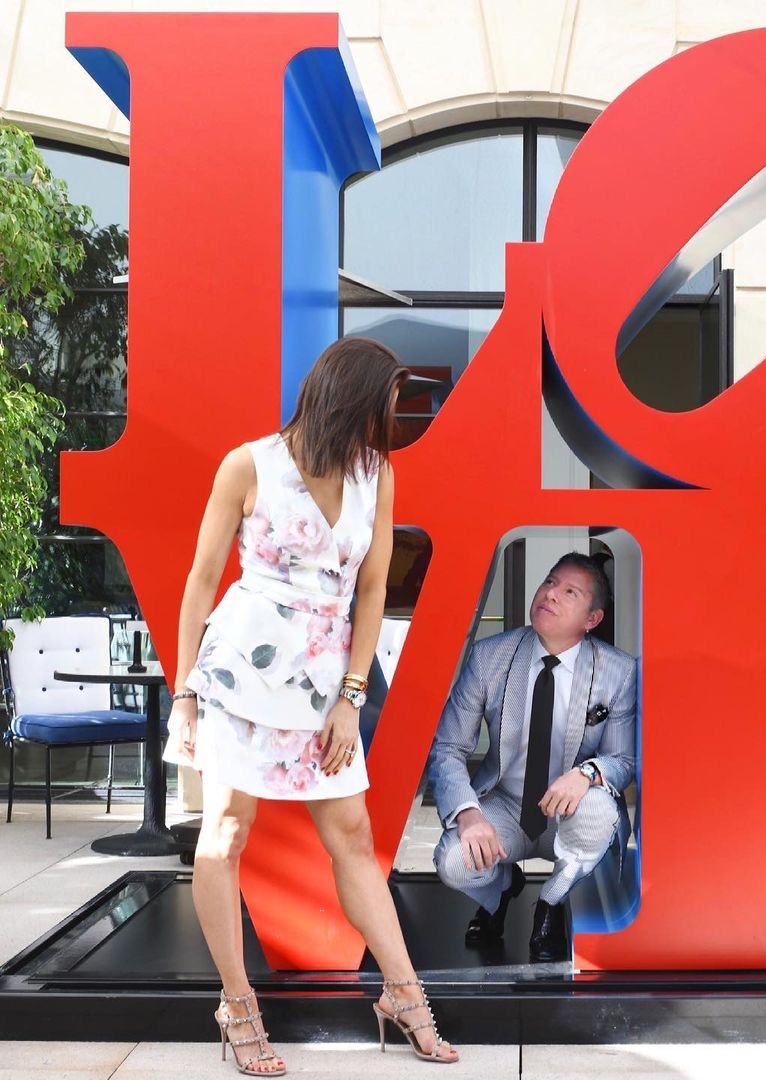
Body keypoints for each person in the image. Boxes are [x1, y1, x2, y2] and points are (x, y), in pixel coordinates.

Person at [164, 337, 458, 1073]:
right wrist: (184, 690)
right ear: (350, 400)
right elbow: (201, 580)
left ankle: (403, 993)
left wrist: (352, 696)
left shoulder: (376, 474)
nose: (392, 423)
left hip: (326, 685)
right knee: (224, 833)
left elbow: (372, 588)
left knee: (352, 835)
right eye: (385, 407)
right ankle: (237, 1005)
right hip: (240, 673)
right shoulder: (248, 465)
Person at [427, 553, 637, 962]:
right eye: (550, 582)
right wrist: (467, 814)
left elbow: (623, 761)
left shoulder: (619, 671)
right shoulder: (490, 657)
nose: (551, 594)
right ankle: (503, 889)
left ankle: (551, 904)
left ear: (592, 619)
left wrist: (587, 773)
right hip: (506, 803)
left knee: (598, 807)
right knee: (453, 861)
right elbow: (448, 747)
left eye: (570, 592)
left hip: (569, 808)